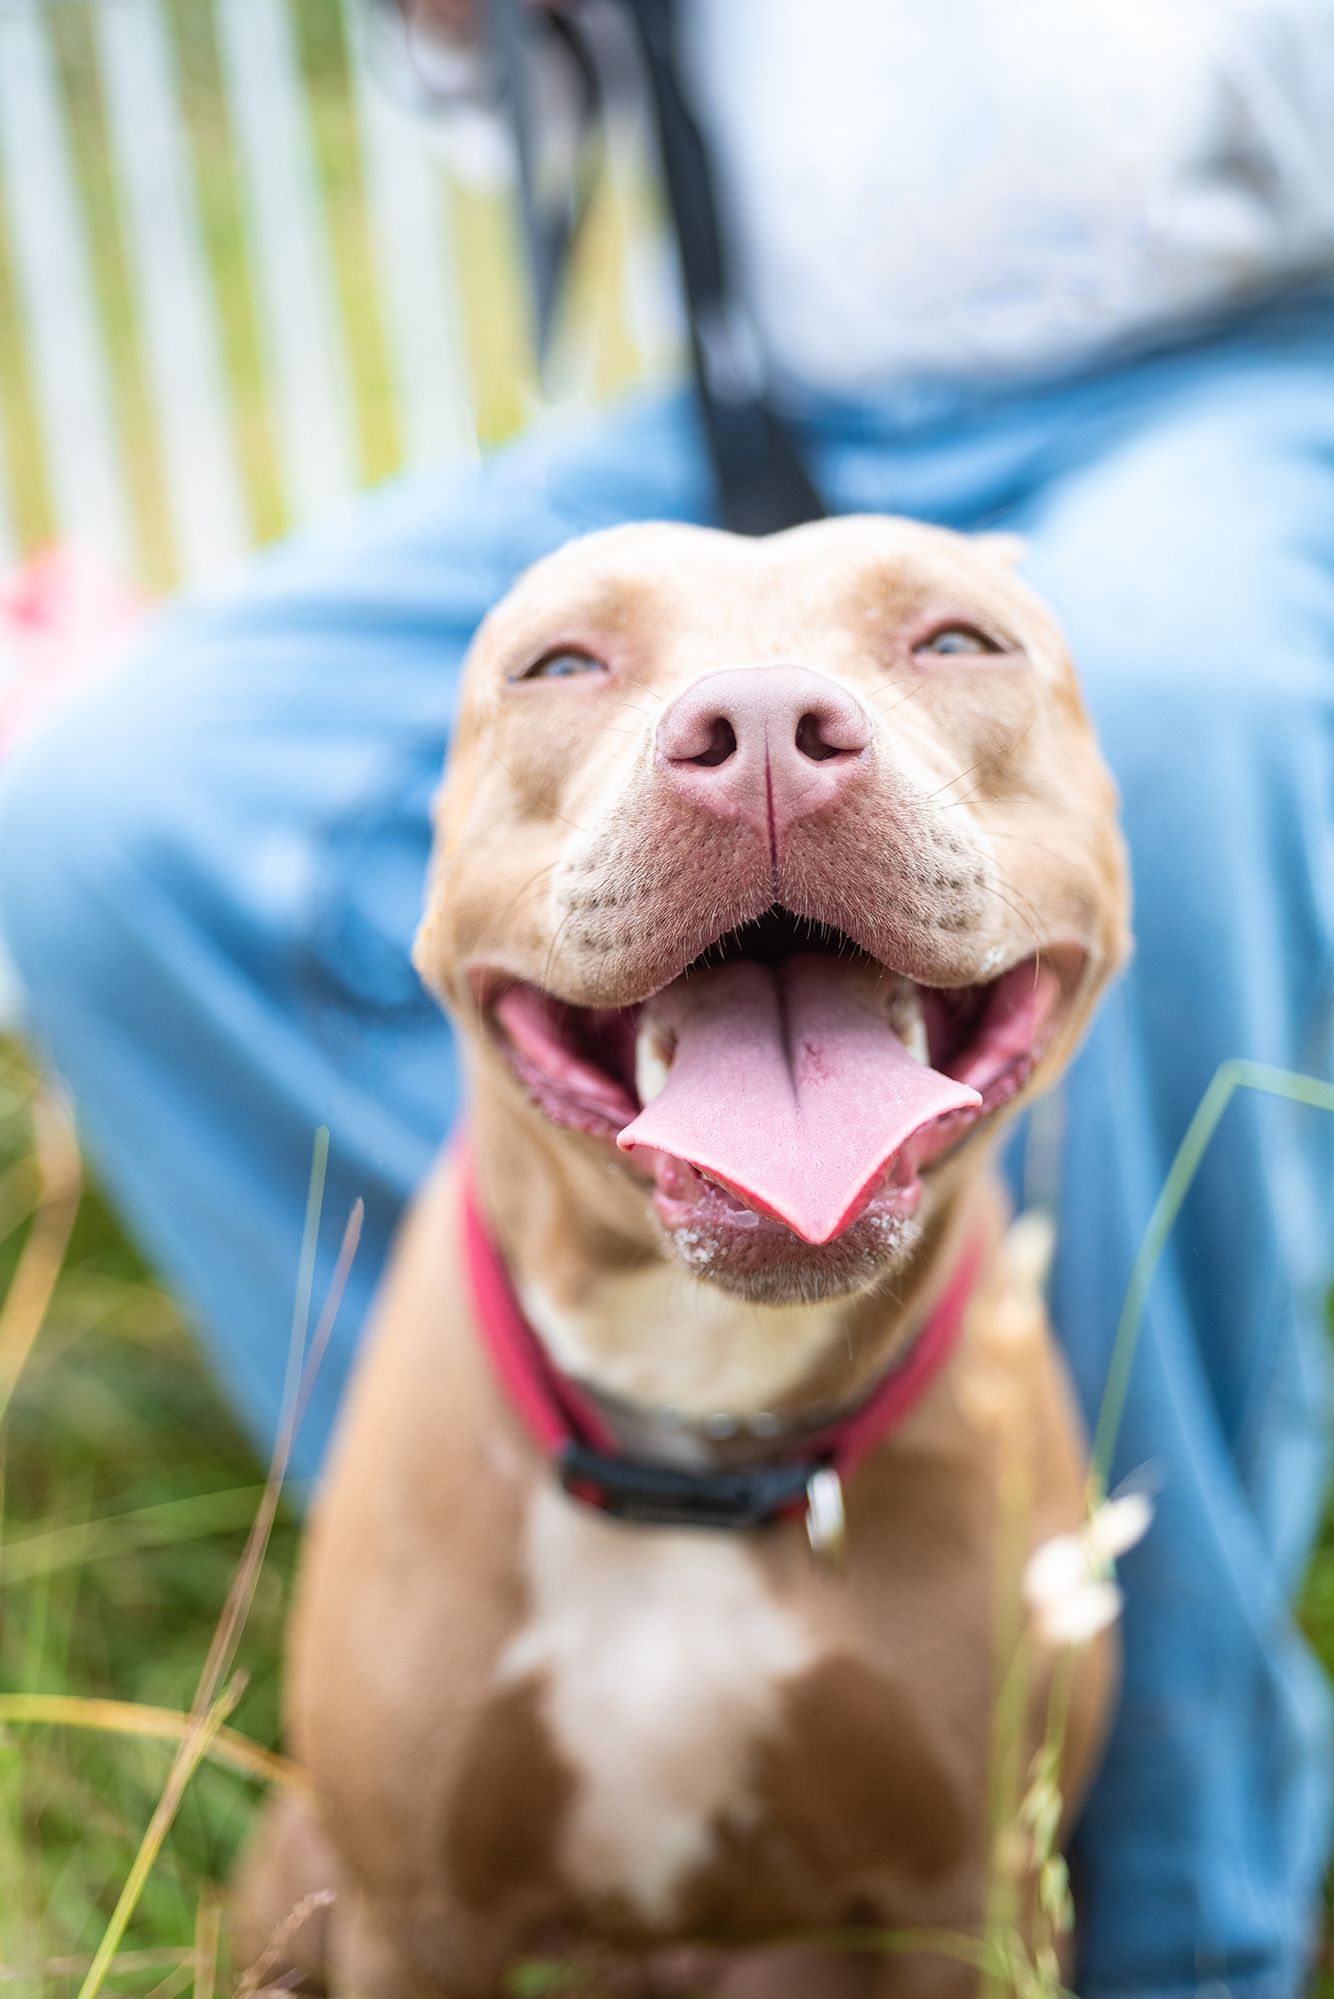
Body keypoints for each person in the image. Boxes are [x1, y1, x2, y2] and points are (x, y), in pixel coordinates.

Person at [1, 2, 1332, 1993]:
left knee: (1173, 707)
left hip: (1249, 362)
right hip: (774, 381)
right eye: (564, 679)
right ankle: (536, 1506)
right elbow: (501, 76)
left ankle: (1176, 1901)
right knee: (103, 809)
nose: (760, 735)